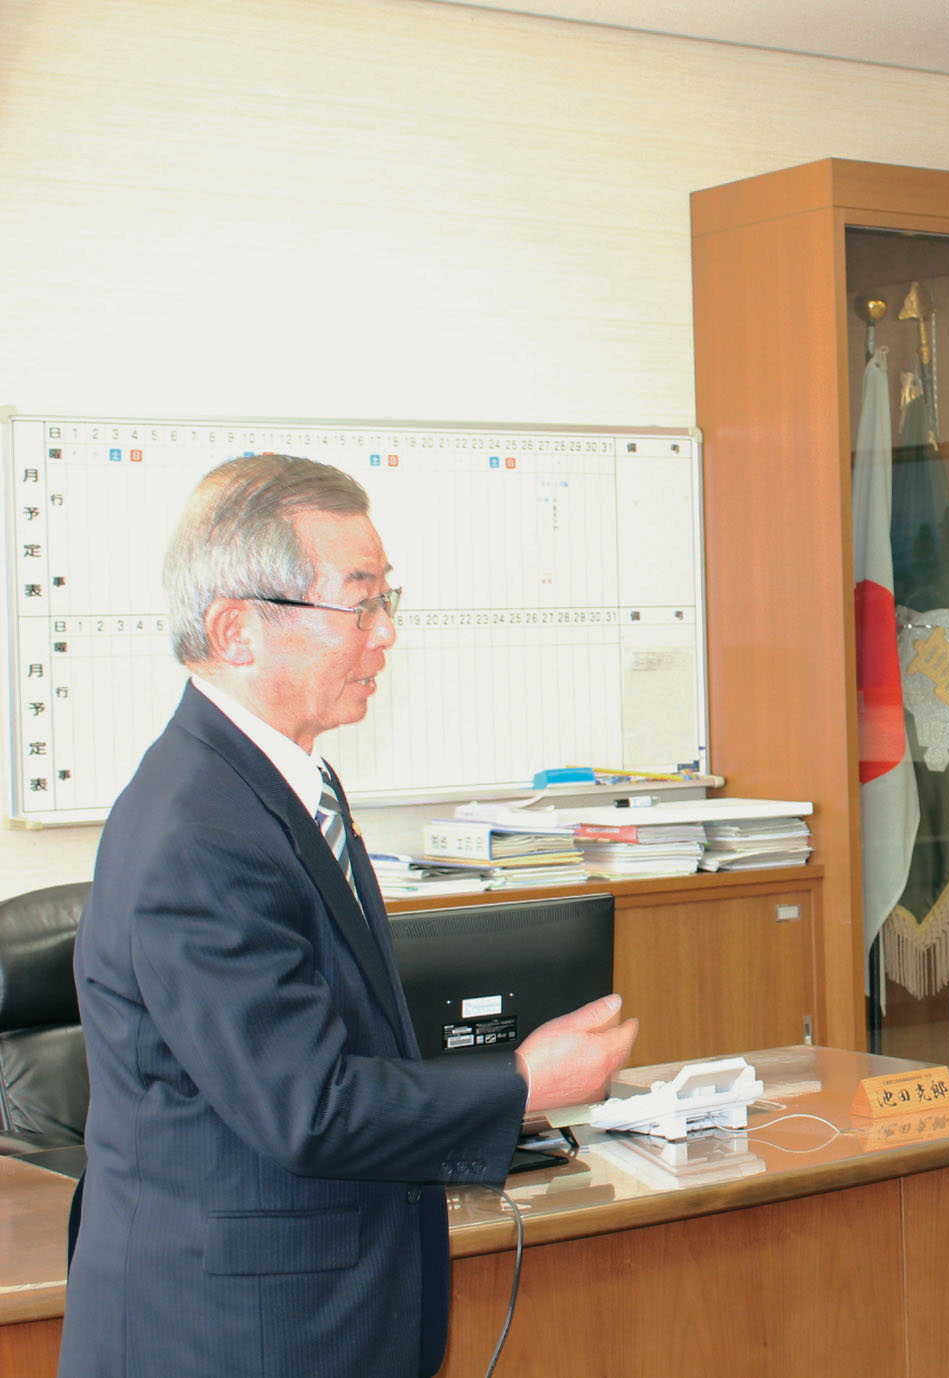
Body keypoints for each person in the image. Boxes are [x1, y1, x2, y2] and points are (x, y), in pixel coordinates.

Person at [60, 454, 639, 1378]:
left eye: (386, 601)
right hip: (232, 1335)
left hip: (318, 1309)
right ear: (236, 629)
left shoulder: (289, 783)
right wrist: (522, 1084)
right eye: (359, 605)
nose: (386, 635)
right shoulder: (199, 832)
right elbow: (309, 1107)